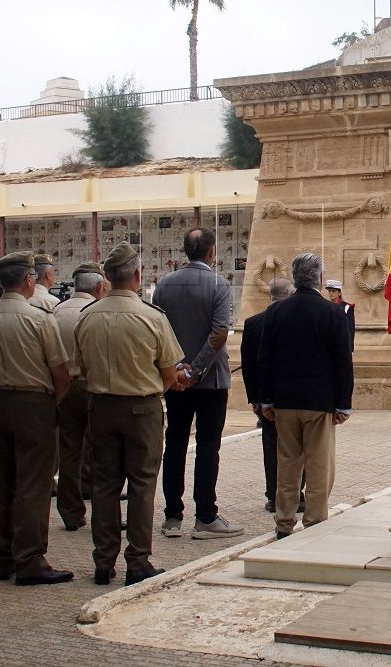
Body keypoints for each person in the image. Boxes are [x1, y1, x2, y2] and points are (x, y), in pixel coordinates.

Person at [75, 244, 185, 587]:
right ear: (137, 275)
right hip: (141, 408)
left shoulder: (87, 316)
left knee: (105, 485)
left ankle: (103, 561)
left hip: (101, 408)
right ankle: (137, 560)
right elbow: (169, 373)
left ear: (107, 278)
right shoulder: (152, 317)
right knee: (142, 485)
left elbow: (81, 368)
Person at [0, 251, 72, 586]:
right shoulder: (39, 318)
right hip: (33, 402)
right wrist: (52, 403)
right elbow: (60, 371)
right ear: (29, 280)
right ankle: (29, 559)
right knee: (33, 483)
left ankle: (1, 556)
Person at [152, 228, 244, 540]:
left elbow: (159, 330)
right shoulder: (217, 284)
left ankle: (172, 517)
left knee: (175, 443)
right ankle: (205, 515)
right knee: (208, 446)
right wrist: (197, 369)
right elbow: (219, 333)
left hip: (175, 381)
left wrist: (177, 368)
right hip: (210, 380)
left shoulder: (164, 284)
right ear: (210, 252)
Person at [256, 253, 353, 538]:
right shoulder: (332, 312)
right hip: (319, 402)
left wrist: (266, 400)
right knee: (319, 465)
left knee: (287, 465)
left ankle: (284, 522)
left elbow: (265, 359)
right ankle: (314, 520)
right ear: (320, 279)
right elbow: (341, 361)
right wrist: (343, 403)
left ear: (295, 279)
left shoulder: (276, 312)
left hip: (284, 402)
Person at [52, 260, 106, 531]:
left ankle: (70, 511)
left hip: (64, 387)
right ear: (99, 287)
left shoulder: (56, 310)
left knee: (69, 450)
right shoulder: (96, 312)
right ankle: (101, 509)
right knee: (99, 450)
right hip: (91, 385)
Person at [241, 276, 295, 513]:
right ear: (290, 294)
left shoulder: (253, 323)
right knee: (294, 447)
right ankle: (296, 494)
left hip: (265, 396)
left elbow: (247, 365)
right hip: (290, 395)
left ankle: (274, 494)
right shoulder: (294, 321)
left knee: (271, 445)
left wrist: (254, 398)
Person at [324, 279, 356, 351]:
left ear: (339, 293)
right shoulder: (325, 307)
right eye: (329, 291)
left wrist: (350, 349)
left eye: (333, 291)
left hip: (341, 344)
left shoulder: (347, 308)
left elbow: (350, 330)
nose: (331, 293)